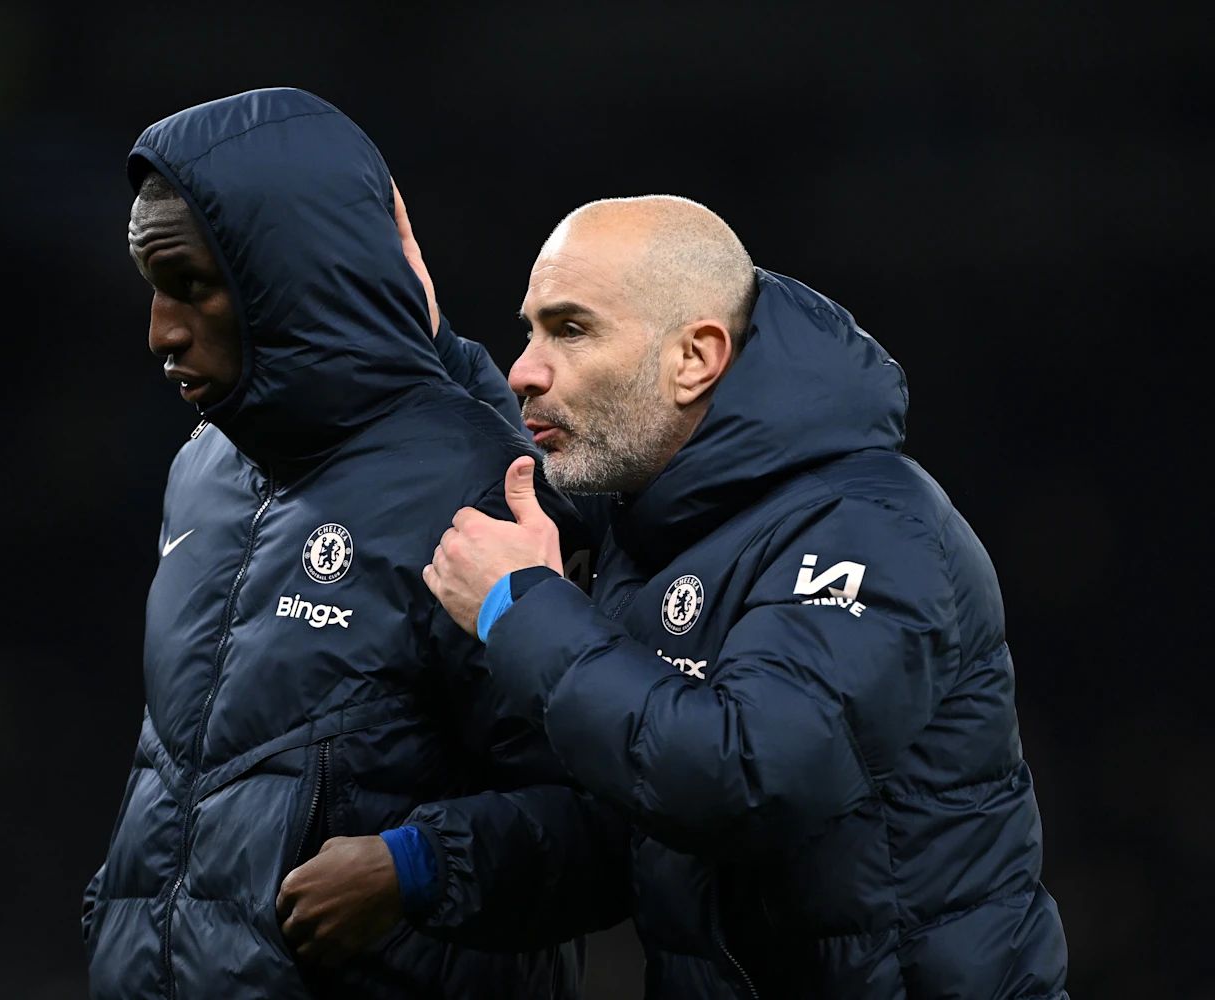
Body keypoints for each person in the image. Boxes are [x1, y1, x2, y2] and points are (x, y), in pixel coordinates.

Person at [420, 194, 1071, 997]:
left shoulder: (870, 527)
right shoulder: (653, 519)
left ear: (694, 357)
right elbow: (629, 819)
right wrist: (421, 865)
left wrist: (517, 610)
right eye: (529, 331)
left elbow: (749, 776)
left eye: (570, 329)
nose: (524, 367)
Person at [79, 87, 627, 999]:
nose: (160, 332)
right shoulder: (202, 470)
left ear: (285, 274)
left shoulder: (487, 487)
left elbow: (605, 825)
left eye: (190, 287)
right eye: (151, 289)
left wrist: (413, 867)